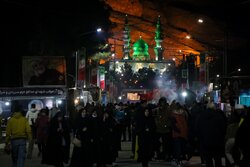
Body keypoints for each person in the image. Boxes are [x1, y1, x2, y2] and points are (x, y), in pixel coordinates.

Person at [5, 102, 32, 167]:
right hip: (22, 140)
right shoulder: (24, 119)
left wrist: (6, 141)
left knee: (14, 158)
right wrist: (30, 139)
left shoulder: (10, 120)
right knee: (21, 158)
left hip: (14, 141)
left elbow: (8, 132)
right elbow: (28, 130)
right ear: (20, 111)